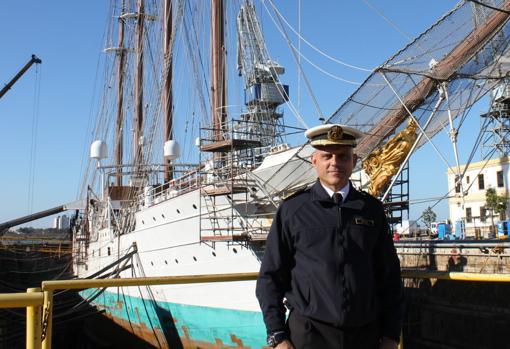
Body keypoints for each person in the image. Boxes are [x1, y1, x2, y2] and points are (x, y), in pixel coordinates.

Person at [256, 124, 403, 349]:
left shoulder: (371, 210)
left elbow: (389, 277)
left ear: (354, 162)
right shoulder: (293, 210)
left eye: (343, 156)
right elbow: (270, 277)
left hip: (364, 335)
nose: (335, 162)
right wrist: (277, 335)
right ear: (314, 161)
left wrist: (391, 335)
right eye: (327, 156)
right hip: (309, 335)